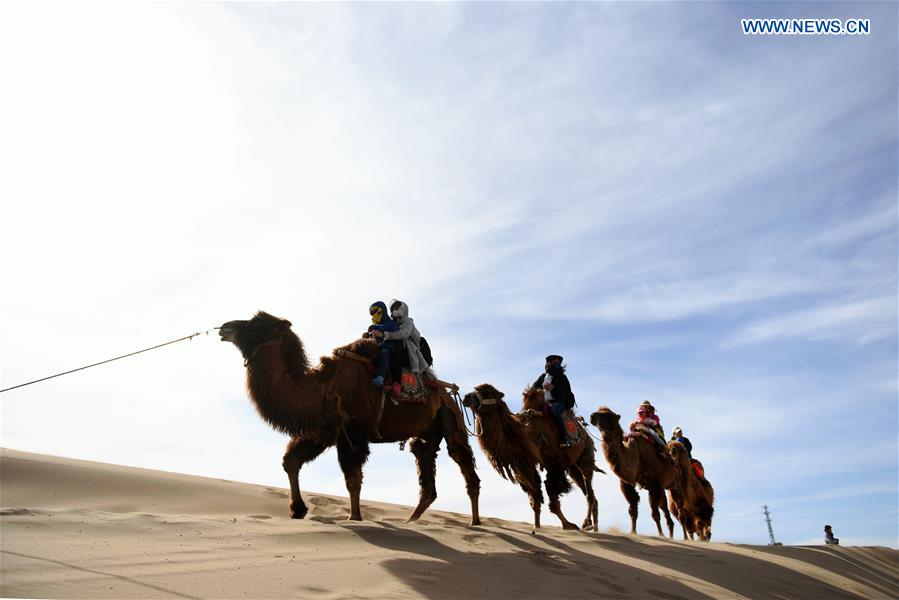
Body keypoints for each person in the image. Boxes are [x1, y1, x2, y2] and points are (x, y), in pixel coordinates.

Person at [379, 300, 433, 380]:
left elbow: (403, 334)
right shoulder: (392, 324)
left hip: (411, 354)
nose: (395, 310)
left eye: (397, 307)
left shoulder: (408, 322)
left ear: (403, 308)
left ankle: (396, 382)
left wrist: (384, 334)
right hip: (399, 351)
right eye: (393, 309)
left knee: (396, 347)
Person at [532, 354, 576, 447]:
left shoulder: (562, 377)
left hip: (561, 402)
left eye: (558, 362)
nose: (557, 363)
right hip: (546, 403)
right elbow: (534, 387)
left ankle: (565, 438)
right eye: (554, 361)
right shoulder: (543, 377)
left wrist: (554, 388)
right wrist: (537, 390)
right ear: (549, 363)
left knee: (555, 410)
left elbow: (567, 391)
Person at [364, 301, 397, 387]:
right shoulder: (377, 326)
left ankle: (380, 377)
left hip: (389, 347)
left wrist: (375, 327)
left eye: (375, 312)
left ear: (382, 310)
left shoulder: (390, 322)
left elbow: (391, 327)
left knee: (384, 353)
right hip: (378, 347)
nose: (373, 315)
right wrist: (367, 336)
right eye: (372, 314)